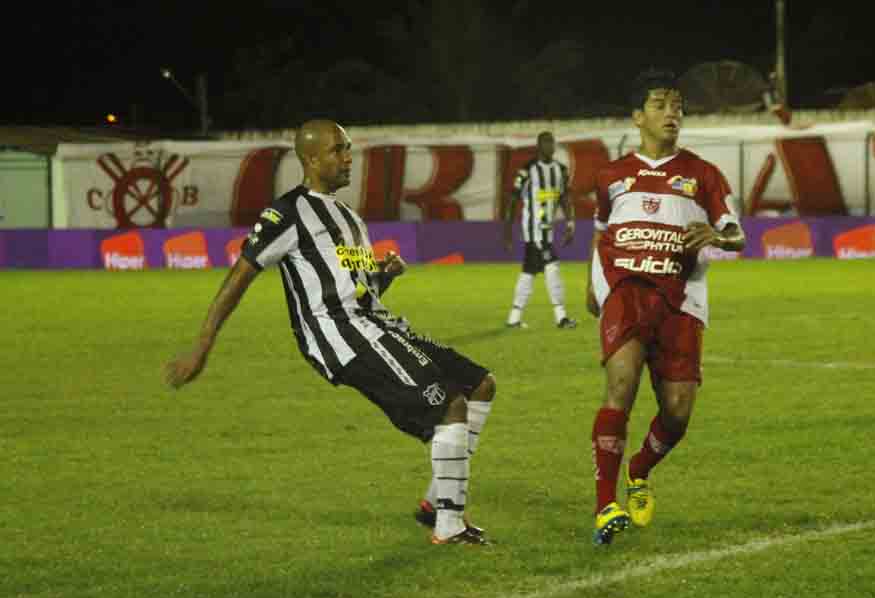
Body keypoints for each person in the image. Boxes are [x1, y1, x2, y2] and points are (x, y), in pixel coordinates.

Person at [164, 119, 495, 546]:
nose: (348, 158)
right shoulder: (287, 213)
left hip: (377, 323)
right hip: (341, 336)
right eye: (338, 150)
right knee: (449, 405)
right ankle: (449, 526)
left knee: (480, 384)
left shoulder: (349, 218)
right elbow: (239, 277)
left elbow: (358, 290)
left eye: (348, 148)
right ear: (311, 158)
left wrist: (383, 275)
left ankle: (437, 502)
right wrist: (202, 345)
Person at [585, 69, 746, 545]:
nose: (671, 113)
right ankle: (604, 506)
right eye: (660, 104)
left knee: (676, 413)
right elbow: (601, 231)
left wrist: (718, 237)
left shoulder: (704, 174)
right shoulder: (612, 176)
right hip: (627, 290)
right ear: (638, 117)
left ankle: (639, 469)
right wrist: (591, 284)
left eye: (677, 105)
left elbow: (736, 234)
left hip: (682, 297)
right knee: (621, 385)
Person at [503, 131, 577, 329]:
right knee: (552, 266)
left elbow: (564, 197)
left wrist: (570, 223)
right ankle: (561, 317)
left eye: (552, 142)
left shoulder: (560, 170)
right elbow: (513, 200)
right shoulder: (527, 170)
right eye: (546, 143)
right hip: (534, 231)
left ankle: (514, 317)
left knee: (529, 271)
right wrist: (507, 231)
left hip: (547, 232)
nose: (550, 146)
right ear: (538, 146)